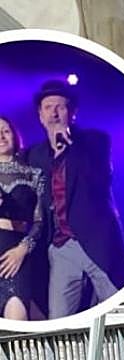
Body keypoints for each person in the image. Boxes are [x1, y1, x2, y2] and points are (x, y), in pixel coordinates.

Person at [26, 80, 124, 319]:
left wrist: (70, 147)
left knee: (118, 308)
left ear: (72, 113)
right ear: (40, 116)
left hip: (96, 241)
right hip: (60, 246)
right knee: (59, 317)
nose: (54, 113)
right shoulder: (35, 154)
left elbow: (101, 178)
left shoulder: (95, 142)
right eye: (48, 107)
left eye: (60, 107)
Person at [0, 115, 44, 320]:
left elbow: (40, 221)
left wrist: (23, 249)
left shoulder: (33, 174)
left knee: (17, 310)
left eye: (5, 131)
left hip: (16, 253)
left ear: (14, 136)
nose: (1, 136)